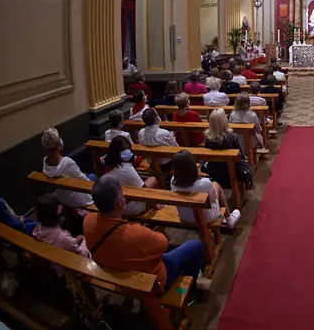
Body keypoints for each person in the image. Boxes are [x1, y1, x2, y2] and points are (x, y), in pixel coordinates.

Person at [84, 177, 204, 329]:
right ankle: (191, 292)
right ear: (120, 204)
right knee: (195, 245)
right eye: (122, 195)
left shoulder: (88, 221)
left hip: (120, 279)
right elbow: (162, 242)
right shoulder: (134, 234)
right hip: (152, 282)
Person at [171, 150, 241, 228]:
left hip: (185, 216)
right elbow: (213, 199)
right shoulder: (204, 183)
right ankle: (229, 218)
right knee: (216, 185)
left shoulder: (173, 181)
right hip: (206, 218)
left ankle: (226, 218)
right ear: (193, 166)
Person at [33, 193, 90, 276]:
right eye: (57, 207)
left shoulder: (38, 229)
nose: (61, 207)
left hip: (54, 262)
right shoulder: (63, 238)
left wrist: (73, 240)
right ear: (55, 213)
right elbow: (81, 254)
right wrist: (84, 240)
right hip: (68, 269)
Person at [103, 136, 160, 215]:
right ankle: (152, 206)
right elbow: (144, 190)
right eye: (123, 149)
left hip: (115, 205)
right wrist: (153, 202)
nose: (127, 151)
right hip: (129, 208)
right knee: (153, 180)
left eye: (127, 148)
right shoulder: (126, 168)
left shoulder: (108, 163)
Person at [41, 128, 94, 208]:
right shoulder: (67, 162)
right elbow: (84, 180)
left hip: (61, 196)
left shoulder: (45, 161)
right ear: (59, 144)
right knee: (93, 177)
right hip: (76, 199)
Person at [203, 109, 251, 188]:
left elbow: (207, 157)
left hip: (214, 173)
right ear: (225, 121)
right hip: (231, 173)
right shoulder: (232, 137)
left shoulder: (208, 139)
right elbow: (241, 156)